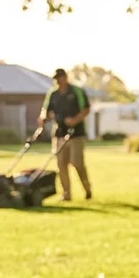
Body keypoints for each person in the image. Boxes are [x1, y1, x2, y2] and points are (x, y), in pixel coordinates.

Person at [40, 68, 92, 201]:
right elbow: (46, 109)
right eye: (56, 78)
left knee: (77, 163)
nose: (58, 81)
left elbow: (86, 109)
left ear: (65, 78)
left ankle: (87, 189)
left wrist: (74, 120)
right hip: (59, 133)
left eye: (60, 78)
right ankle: (66, 193)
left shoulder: (76, 91)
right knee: (61, 164)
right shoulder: (53, 93)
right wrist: (43, 119)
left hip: (76, 133)